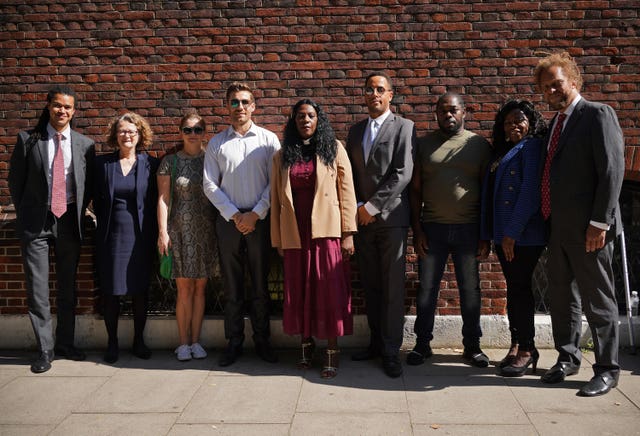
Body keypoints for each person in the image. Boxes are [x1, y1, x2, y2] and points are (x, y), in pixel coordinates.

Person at [534, 51, 625, 396]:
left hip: (590, 230)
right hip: (557, 229)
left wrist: (600, 223)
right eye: (545, 88)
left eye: (556, 83)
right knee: (562, 298)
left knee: (598, 299)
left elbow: (612, 171)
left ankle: (606, 369)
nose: (551, 91)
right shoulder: (555, 124)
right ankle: (567, 358)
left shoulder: (597, 114)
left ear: (573, 80)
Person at [9, 86, 95, 373]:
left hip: (69, 221)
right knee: (38, 289)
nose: (62, 111)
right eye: (57, 105)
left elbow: (89, 183)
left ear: (74, 111)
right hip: (37, 222)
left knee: (67, 286)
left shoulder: (85, 144)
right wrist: (26, 214)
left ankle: (65, 344)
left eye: (68, 107)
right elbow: (15, 182)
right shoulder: (28, 140)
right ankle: (45, 350)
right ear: (48, 107)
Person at [271, 99, 358, 378]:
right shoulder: (282, 155)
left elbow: (347, 193)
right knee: (299, 291)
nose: (305, 120)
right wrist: (278, 239)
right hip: (295, 233)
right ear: (293, 121)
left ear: (319, 119)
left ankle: (332, 351)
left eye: (310, 116)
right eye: (300, 117)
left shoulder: (334, 149)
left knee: (328, 291)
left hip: (327, 233)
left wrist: (348, 234)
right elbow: (275, 199)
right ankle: (305, 347)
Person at [408, 92, 492, 368]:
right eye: (443, 111)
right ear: (436, 114)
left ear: (464, 112)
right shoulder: (423, 146)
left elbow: (487, 191)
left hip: (469, 229)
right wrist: (417, 230)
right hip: (433, 228)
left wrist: (484, 233)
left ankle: (473, 346)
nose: (448, 115)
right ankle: (422, 345)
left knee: (470, 289)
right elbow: (415, 190)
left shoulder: (479, 145)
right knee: (427, 289)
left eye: (453, 110)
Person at [203, 82, 281, 367]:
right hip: (229, 222)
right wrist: (235, 215)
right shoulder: (216, 143)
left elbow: (277, 182)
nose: (239, 107)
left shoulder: (269, 140)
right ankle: (233, 342)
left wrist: (256, 213)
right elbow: (209, 184)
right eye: (234, 102)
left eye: (244, 102)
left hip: (260, 221)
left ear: (254, 106)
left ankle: (263, 342)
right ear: (227, 107)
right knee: (232, 286)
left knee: (261, 285)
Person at [346, 72, 415, 378]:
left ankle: (391, 351)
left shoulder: (404, 127)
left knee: (392, 288)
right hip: (363, 221)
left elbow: (402, 173)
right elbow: (349, 174)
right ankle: (375, 344)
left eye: (380, 89)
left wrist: (373, 206)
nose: (374, 94)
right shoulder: (355, 130)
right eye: (369, 89)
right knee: (371, 285)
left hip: (391, 220)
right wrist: (359, 208)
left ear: (390, 95)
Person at [480, 100, 548, 376]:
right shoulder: (504, 151)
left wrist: (511, 233)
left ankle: (528, 350)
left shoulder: (531, 147)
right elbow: (490, 197)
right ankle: (517, 344)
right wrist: (490, 235)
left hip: (523, 236)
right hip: (505, 235)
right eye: (508, 122)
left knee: (520, 291)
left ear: (530, 122)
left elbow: (531, 191)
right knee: (514, 290)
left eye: (520, 120)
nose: (514, 125)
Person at [93, 112, 158, 364]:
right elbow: (92, 196)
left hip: (141, 237)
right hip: (110, 236)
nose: (127, 135)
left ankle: (138, 340)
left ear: (140, 135)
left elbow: (155, 201)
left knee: (140, 290)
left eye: (132, 131)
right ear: (114, 135)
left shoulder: (151, 164)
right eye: (122, 131)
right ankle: (112, 343)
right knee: (111, 291)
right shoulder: (102, 165)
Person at [158, 112, 218, 361]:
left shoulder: (213, 160)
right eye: (187, 129)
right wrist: (162, 232)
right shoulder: (169, 162)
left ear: (204, 133)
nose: (192, 134)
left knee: (200, 288)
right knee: (183, 289)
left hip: (206, 231)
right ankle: (183, 343)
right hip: (179, 231)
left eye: (197, 130)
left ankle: (196, 341)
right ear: (180, 132)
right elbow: (162, 199)